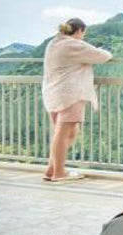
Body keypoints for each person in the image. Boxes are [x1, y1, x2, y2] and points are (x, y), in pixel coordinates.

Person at [41, 18, 112, 182]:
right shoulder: (73, 44)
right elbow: (103, 56)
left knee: (69, 132)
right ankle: (59, 173)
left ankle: (51, 169)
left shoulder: (53, 43)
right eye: (83, 33)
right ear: (80, 30)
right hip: (70, 94)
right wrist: (104, 50)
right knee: (63, 133)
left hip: (53, 92)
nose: (83, 37)